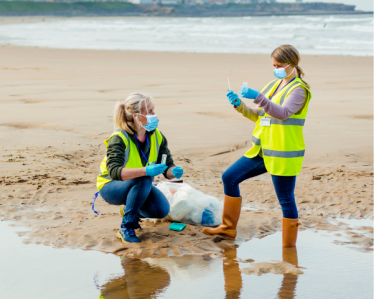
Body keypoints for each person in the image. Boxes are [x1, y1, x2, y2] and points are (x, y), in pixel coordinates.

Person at [203, 45, 312, 247]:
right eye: (273, 65)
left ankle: (289, 248)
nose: (276, 68)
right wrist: (239, 105)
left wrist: (257, 97)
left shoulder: (299, 90)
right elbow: (258, 115)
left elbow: (283, 113)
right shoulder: (274, 84)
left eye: (279, 65)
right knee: (229, 177)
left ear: (291, 64)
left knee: (286, 199)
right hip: (262, 150)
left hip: (283, 154)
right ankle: (228, 228)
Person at [95, 92, 184, 243]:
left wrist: (173, 171)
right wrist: (145, 171)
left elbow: (167, 166)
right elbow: (115, 172)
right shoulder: (119, 138)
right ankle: (126, 227)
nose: (154, 114)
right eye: (149, 111)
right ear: (136, 116)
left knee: (161, 210)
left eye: (153, 110)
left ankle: (130, 210)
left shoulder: (157, 136)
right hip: (110, 186)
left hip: (138, 183)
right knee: (144, 178)